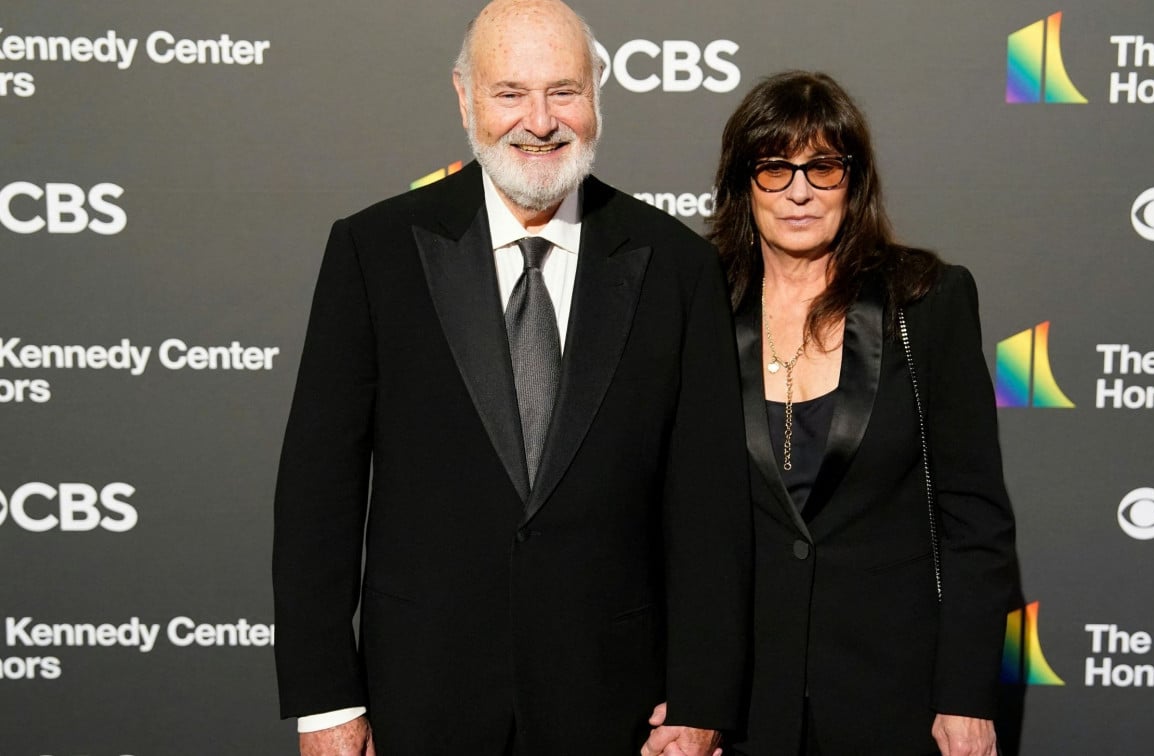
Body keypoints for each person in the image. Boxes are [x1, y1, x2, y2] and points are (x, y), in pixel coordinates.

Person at [271, 2, 750, 754]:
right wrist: (326, 702)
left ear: (597, 96)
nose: (541, 121)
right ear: (465, 97)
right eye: (510, 93)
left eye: (564, 91)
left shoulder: (675, 266)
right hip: (418, 700)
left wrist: (700, 699)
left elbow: (708, 504)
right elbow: (317, 492)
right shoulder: (375, 252)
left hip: (616, 706)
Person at [709, 71, 1017, 756]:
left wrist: (965, 695)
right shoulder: (698, 305)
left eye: (823, 166)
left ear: (854, 179)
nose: (799, 191)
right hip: (741, 699)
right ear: (742, 183)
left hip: (893, 695)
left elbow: (975, 518)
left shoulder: (925, 302)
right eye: (774, 168)